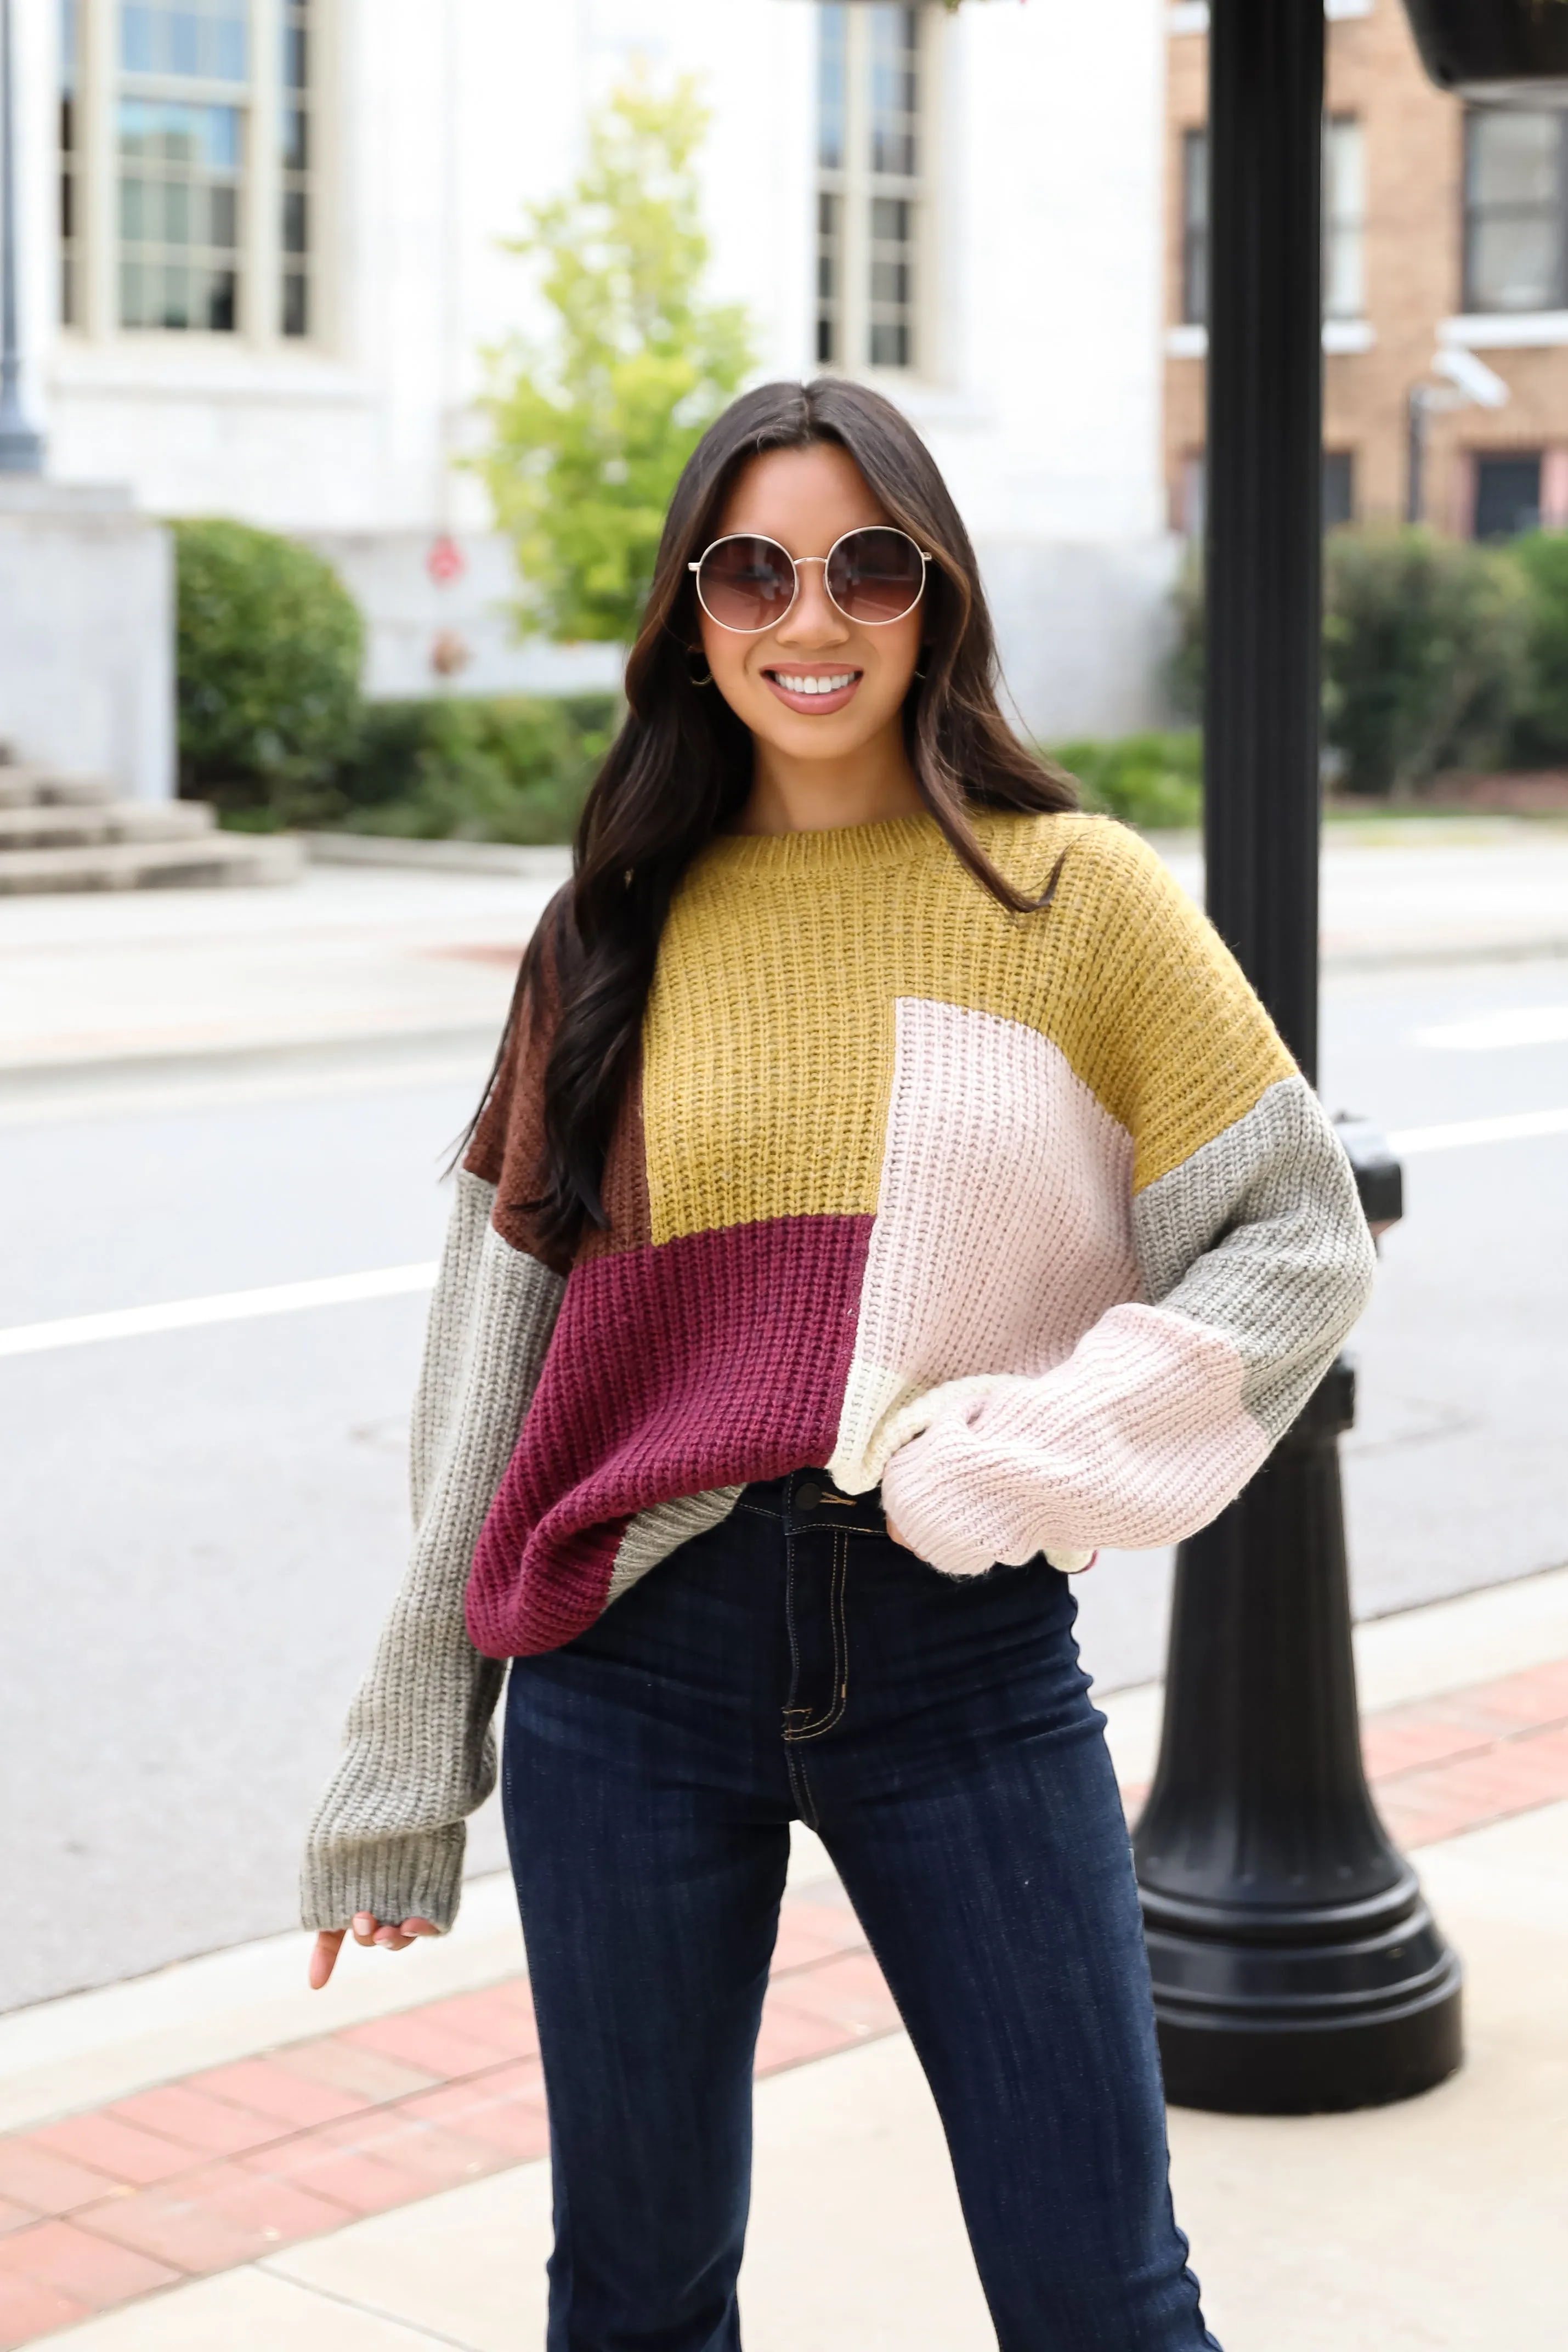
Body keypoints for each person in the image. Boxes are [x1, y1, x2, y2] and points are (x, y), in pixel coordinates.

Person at [302, 377, 1374, 2349]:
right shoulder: (608, 929)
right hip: (626, 1683)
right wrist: (409, 1748)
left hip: (958, 1661)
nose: (813, 620)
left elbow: (1300, 1235)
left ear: (938, 595)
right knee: (632, 2300)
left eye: (867, 565)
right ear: (690, 618)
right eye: (754, 572)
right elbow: (496, 1365)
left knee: (1102, 2299)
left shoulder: (1075, 897)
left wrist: (1042, 1451)